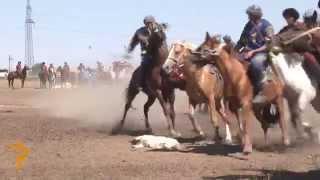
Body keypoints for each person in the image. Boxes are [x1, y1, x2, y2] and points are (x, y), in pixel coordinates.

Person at [235, 5, 274, 100]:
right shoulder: (248, 25)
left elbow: (269, 45)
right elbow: (241, 41)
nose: (248, 17)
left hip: (262, 53)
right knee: (233, 63)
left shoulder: (267, 26)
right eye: (249, 14)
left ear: (256, 15)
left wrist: (253, 52)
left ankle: (261, 88)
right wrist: (234, 52)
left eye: (250, 14)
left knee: (256, 63)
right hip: (247, 53)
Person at [127, 15, 158, 90]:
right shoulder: (140, 31)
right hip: (147, 53)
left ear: (154, 23)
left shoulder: (158, 29)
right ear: (145, 24)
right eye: (147, 23)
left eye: (151, 23)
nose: (149, 25)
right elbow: (134, 41)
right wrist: (130, 49)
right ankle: (140, 83)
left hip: (158, 53)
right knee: (145, 63)